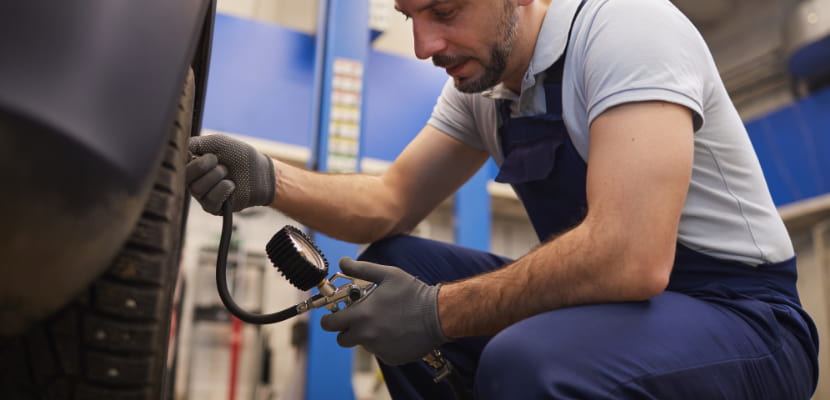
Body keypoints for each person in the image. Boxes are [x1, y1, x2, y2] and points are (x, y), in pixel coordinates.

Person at [186, 0, 820, 398]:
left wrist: (438, 314)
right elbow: (388, 199)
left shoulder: (627, 30)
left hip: (745, 318)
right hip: (626, 307)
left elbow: (630, 255)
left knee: (531, 363)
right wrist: (267, 178)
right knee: (391, 269)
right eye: (412, 18)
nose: (423, 46)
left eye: (445, 11)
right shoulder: (482, 91)